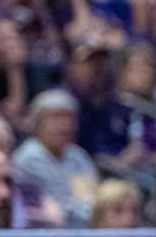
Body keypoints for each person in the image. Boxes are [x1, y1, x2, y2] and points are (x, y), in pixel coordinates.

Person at [14, 88, 98, 226]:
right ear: (38, 122)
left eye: (69, 118)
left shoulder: (78, 156)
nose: (65, 125)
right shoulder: (28, 158)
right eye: (56, 117)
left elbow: (92, 200)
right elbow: (51, 210)